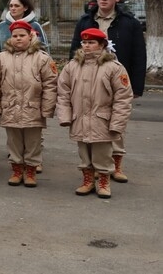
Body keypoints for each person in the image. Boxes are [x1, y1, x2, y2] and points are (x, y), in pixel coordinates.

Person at [68, 0, 146, 184]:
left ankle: (115, 165)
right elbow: (74, 51)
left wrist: (137, 86)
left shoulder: (129, 23)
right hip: (90, 82)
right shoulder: (85, 21)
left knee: (115, 124)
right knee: (92, 123)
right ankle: (94, 167)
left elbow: (139, 55)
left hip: (119, 80)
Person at [56, 28, 133, 199]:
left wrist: (117, 123)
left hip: (102, 120)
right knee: (84, 153)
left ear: (102, 45)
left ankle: (104, 181)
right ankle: (87, 180)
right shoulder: (72, 66)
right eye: (84, 42)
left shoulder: (113, 67)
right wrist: (65, 116)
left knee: (102, 154)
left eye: (91, 43)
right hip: (80, 118)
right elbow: (63, 92)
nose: (87, 46)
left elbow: (123, 97)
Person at [0, 20, 58, 188]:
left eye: (22, 35)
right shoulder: (1, 58)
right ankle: (17, 169)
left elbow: (50, 85)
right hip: (10, 107)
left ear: (30, 36)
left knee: (33, 142)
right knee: (14, 141)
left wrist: (47, 109)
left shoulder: (42, 58)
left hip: (33, 108)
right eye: (15, 36)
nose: (18, 39)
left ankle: (31, 170)